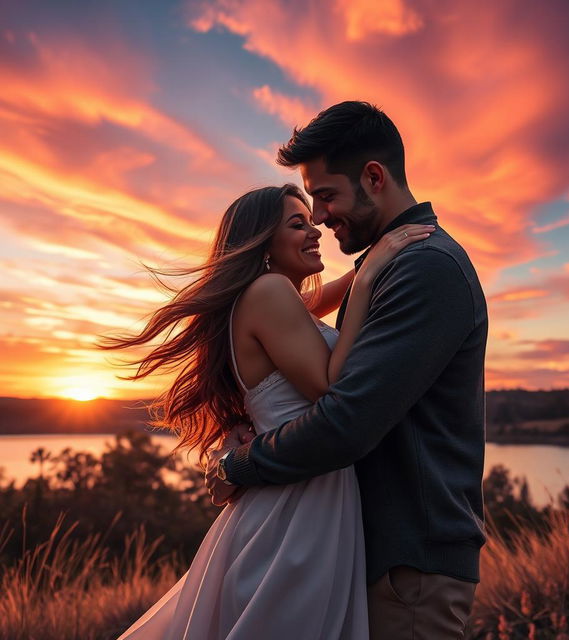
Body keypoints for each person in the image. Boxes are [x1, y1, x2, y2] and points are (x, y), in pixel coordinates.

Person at [206, 101, 489, 640]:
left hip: (410, 564)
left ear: (374, 178)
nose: (318, 215)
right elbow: (292, 329)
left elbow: (345, 421)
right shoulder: (390, 265)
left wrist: (237, 465)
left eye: (325, 195)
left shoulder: (423, 267)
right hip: (367, 552)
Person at [101, 183, 433, 639]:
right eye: (297, 224)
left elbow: (315, 306)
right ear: (262, 243)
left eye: (310, 220)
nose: (315, 227)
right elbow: (332, 387)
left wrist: (364, 267)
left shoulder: (270, 299)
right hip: (293, 512)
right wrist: (370, 278)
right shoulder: (271, 291)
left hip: (296, 499)